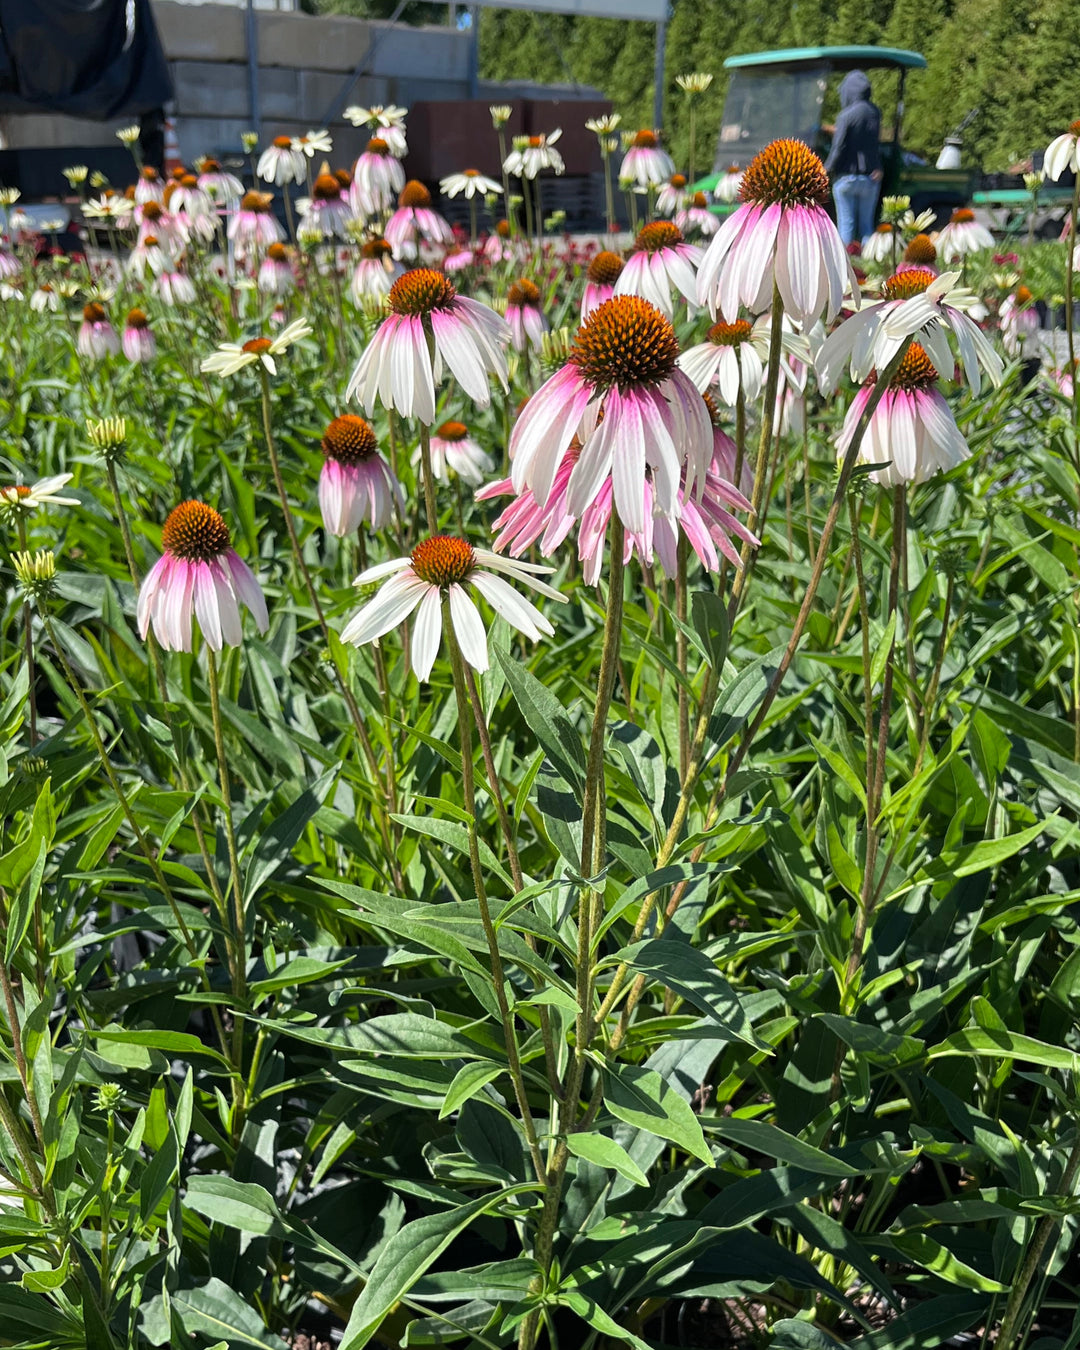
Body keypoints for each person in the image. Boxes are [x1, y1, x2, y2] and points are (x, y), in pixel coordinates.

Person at [825, 69, 883, 247]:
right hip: (870, 178)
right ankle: (870, 264)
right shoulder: (875, 113)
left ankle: (846, 264)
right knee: (867, 226)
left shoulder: (846, 115)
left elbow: (838, 147)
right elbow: (873, 143)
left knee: (846, 224)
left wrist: (824, 170)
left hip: (846, 179)